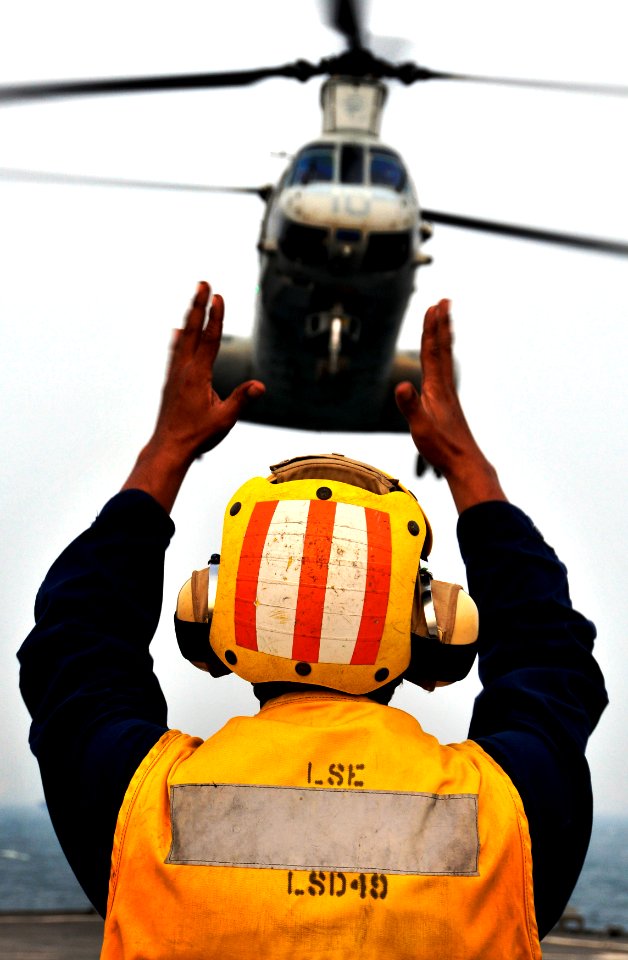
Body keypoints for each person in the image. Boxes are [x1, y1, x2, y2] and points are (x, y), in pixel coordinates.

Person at [18, 283, 607, 959]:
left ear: (211, 613)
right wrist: (467, 467)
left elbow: (73, 645)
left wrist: (168, 449)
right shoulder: (505, 820)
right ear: (432, 631)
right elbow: (550, 656)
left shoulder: (142, 811)